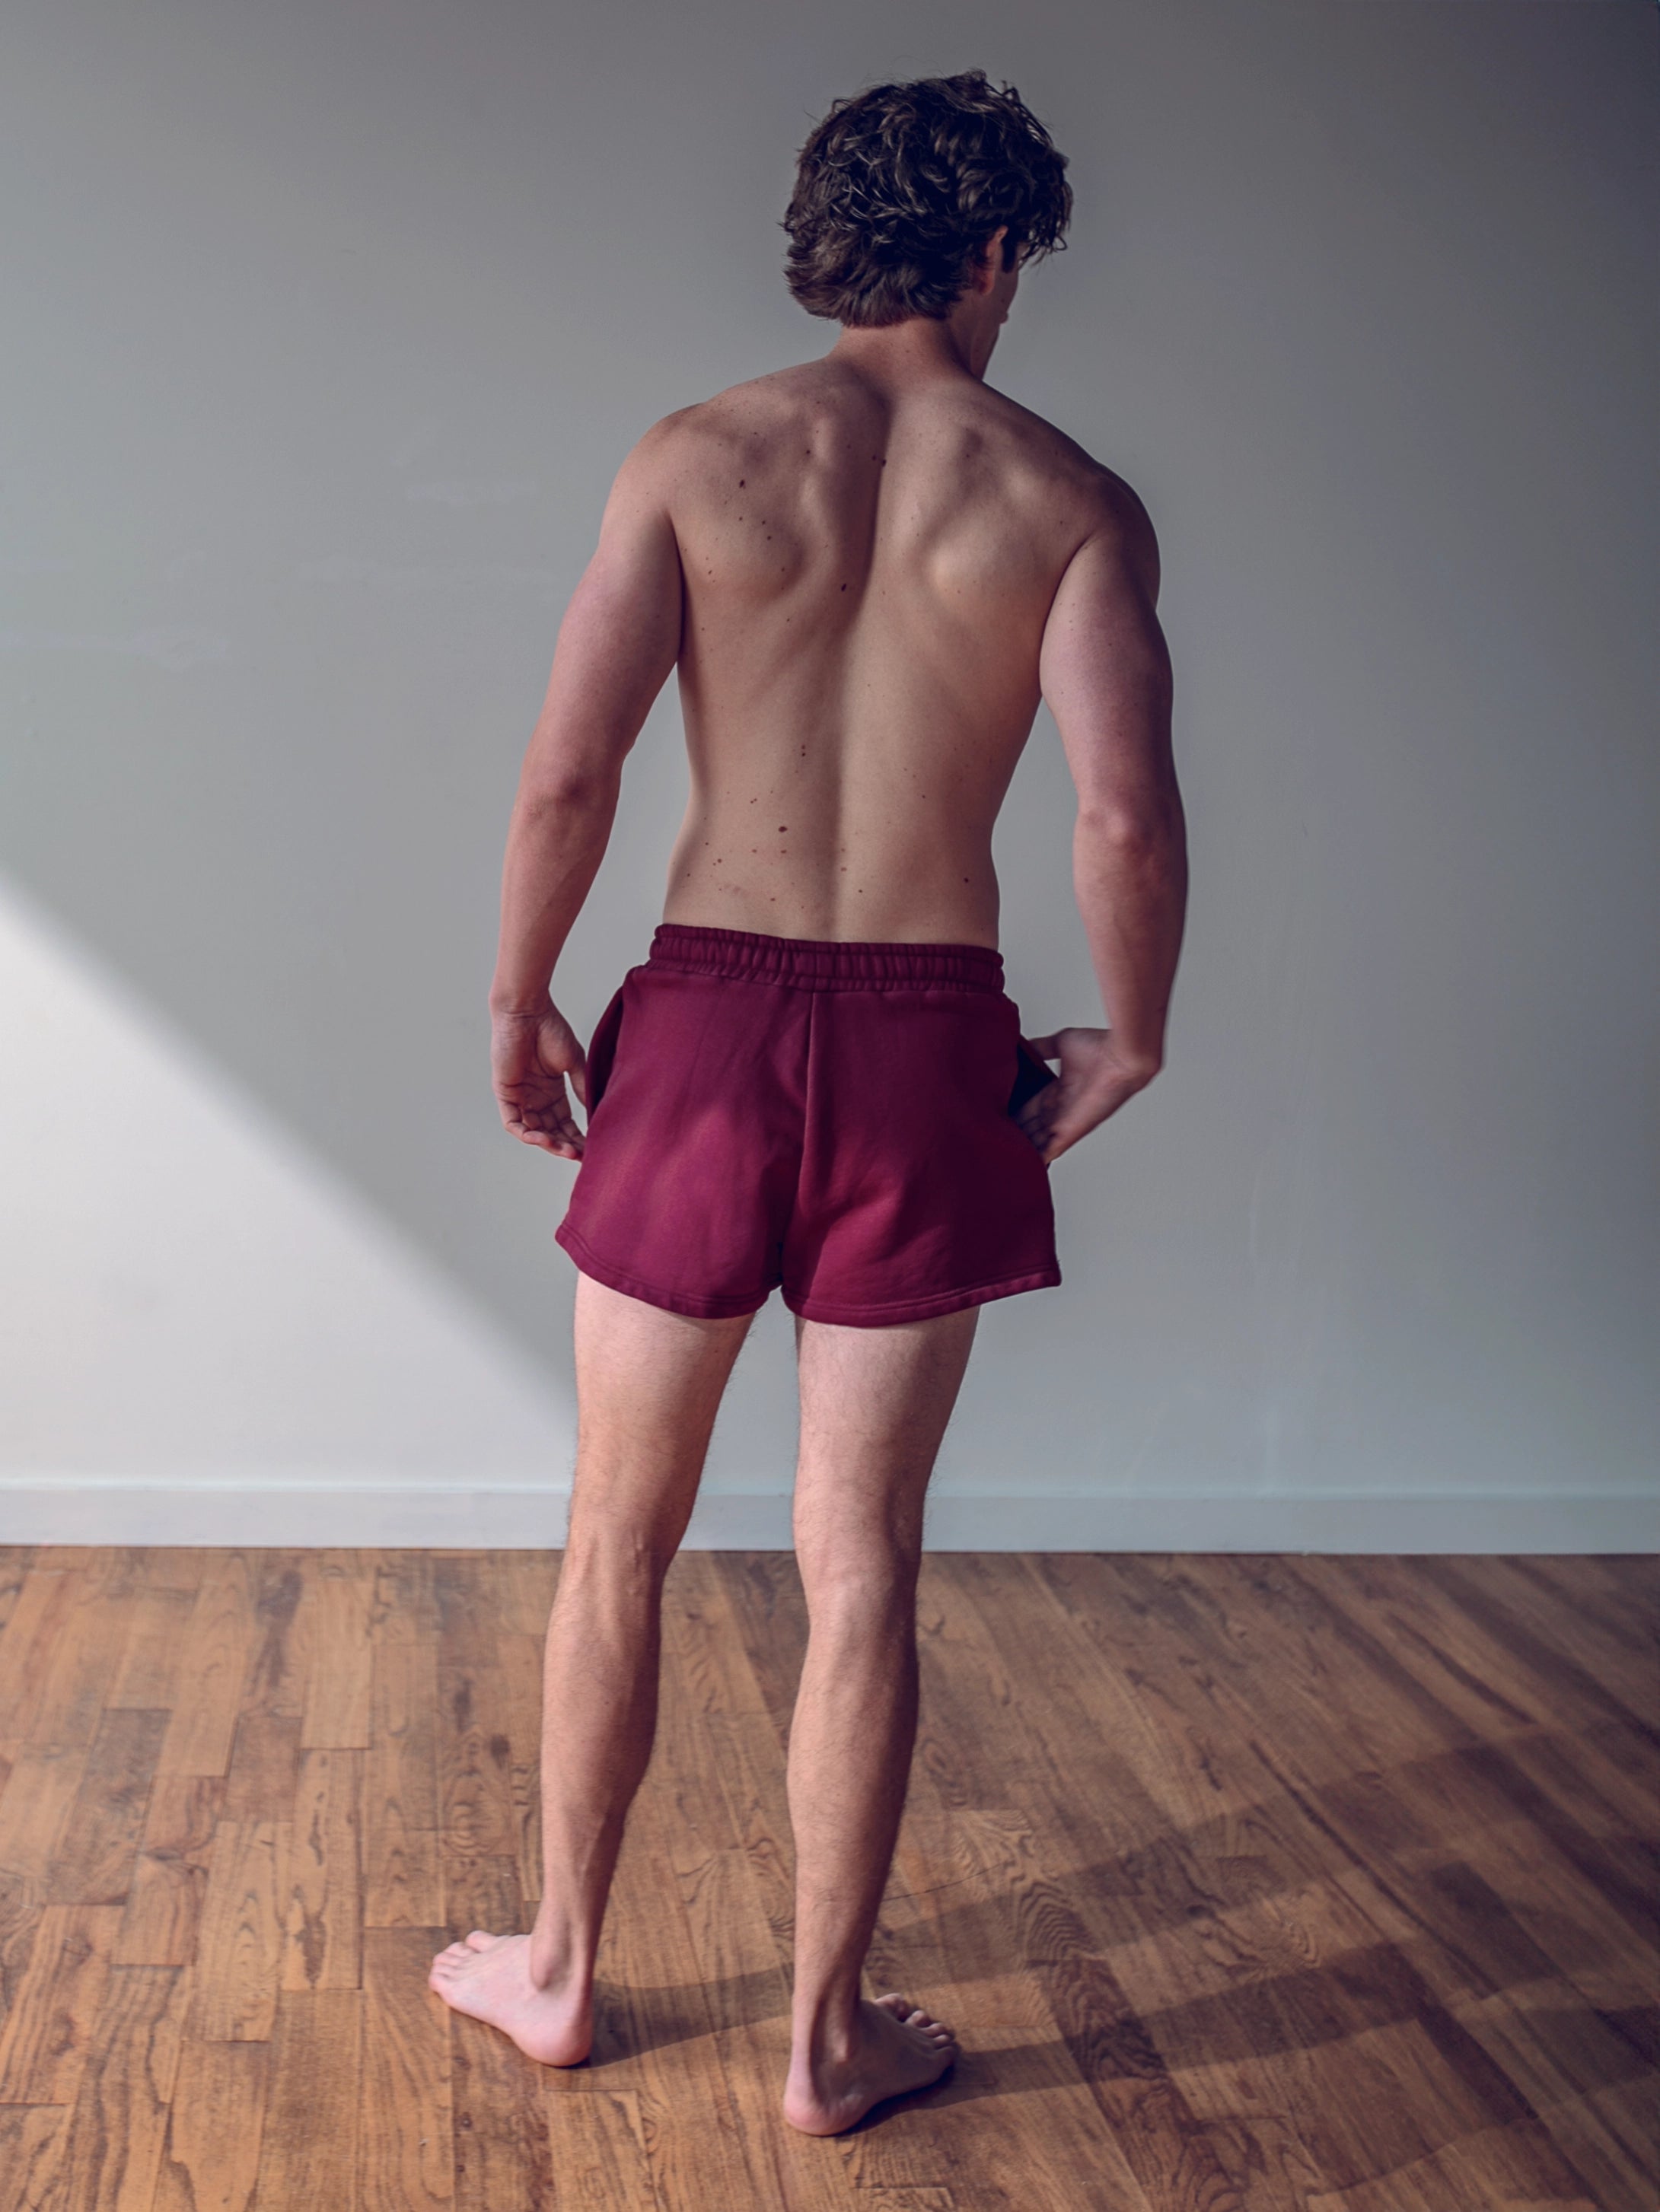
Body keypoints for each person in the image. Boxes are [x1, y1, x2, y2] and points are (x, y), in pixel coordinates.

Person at [428, 68, 1187, 2136]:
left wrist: (520, 1001)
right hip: (928, 1033)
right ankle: (825, 2041)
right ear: (994, 251)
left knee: (619, 1538)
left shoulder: (698, 456)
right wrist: (1133, 1031)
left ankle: (566, 1971)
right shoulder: (1069, 499)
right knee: (860, 1565)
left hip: (702, 1026)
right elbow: (1121, 809)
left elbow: (567, 777)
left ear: (834, 240)